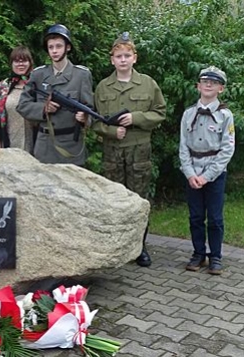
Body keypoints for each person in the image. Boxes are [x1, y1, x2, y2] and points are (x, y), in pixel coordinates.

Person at [92, 32, 167, 268]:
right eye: (118, 56)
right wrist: (113, 131)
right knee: (113, 200)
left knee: (138, 200)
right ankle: (116, 247)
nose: (123, 60)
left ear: (135, 58)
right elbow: (95, 121)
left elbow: (160, 114)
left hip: (138, 151)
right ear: (112, 60)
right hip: (112, 152)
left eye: (127, 55)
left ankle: (139, 247)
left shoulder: (148, 84)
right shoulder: (103, 87)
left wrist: (135, 117)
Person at [179, 66, 236, 275]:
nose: (208, 85)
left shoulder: (225, 116)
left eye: (213, 82)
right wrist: (190, 174)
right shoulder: (188, 114)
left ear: (221, 88)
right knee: (195, 216)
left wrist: (207, 176)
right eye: (205, 81)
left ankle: (216, 256)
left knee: (214, 217)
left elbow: (227, 148)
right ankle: (198, 253)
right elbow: (183, 146)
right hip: (192, 171)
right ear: (198, 86)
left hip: (215, 173)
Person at [16, 24, 94, 166]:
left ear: (67, 47)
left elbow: (90, 109)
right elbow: (22, 105)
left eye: (58, 46)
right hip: (45, 145)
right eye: (51, 47)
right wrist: (43, 108)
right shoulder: (38, 75)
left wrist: (84, 118)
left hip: (71, 144)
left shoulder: (81, 75)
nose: (54, 51)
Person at [0, 46, 37, 153]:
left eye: (24, 61)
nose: (20, 64)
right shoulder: (2, 88)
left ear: (30, 63)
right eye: (16, 61)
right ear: (11, 64)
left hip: (37, 149)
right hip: (10, 149)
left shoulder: (39, 86)